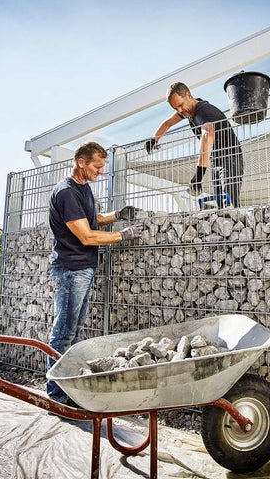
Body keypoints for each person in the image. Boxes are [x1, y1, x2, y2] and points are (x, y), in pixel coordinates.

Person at [46, 141, 142, 406]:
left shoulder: (83, 189)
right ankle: (56, 394)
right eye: (97, 167)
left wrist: (116, 215)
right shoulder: (65, 192)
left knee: (72, 331)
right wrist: (122, 234)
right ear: (81, 163)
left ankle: (65, 389)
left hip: (82, 269)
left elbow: (90, 218)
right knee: (64, 332)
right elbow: (86, 236)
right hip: (70, 270)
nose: (101, 172)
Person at [146, 82, 244, 208]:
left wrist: (198, 175)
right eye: (175, 108)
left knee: (230, 203)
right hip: (216, 162)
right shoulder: (187, 111)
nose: (179, 111)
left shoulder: (204, 111)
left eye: (180, 105)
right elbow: (168, 123)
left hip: (231, 159)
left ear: (188, 95)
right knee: (221, 207)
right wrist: (154, 139)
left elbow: (207, 135)